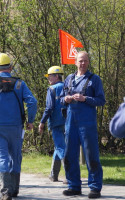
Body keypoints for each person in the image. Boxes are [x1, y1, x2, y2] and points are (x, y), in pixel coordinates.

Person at [0, 53, 37, 200]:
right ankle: (15, 189)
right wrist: (30, 120)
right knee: (15, 156)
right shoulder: (19, 84)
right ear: (10, 67)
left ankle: (5, 192)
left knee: (2, 157)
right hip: (16, 126)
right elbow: (32, 102)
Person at [60, 51, 105, 199]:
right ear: (75, 62)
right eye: (80, 61)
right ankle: (74, 186)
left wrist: (85, 98)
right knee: (69, 155)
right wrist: (65, 99)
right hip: (71, 122)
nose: (83, 63)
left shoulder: (94, 79)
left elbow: (101, 100)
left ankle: (95, 187)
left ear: (88, 62)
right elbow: (60, 99)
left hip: (87, 123)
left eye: (85, 61)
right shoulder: (69, 79)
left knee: (91, 155)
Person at [38, 66, 66, 182]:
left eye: (50, 76)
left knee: (61, 147)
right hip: (67, 121)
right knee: (58, 147)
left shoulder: (52, 89)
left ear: (56, 76)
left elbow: (49, 108)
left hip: (56, 122)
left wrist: (42, 122)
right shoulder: (67, 87)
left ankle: (70, 176)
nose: (48, 79)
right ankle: (53, 175)